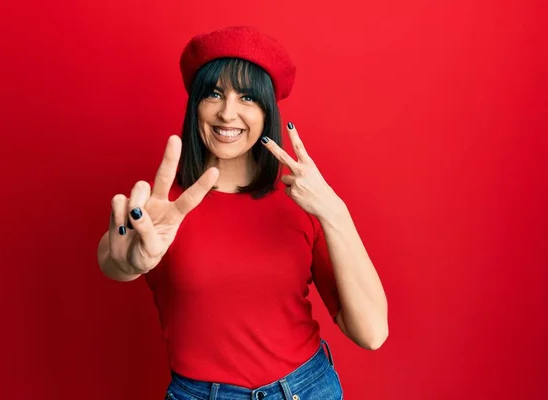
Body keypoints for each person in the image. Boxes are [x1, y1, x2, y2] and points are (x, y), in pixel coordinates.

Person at [97, 26, 388, 400]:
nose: (227, 112)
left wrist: (335, 211)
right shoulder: (164, 207)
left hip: (306, 389)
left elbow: (371, 332)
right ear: (196, 105)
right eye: (214, 94)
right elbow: (113, 259)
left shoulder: (303, 200)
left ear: (267, 111)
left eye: (247, 97)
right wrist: (125, 260)